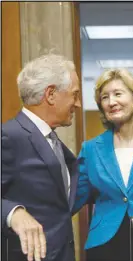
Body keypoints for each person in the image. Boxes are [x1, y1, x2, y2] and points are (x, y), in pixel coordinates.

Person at [72, 69, 133, 261]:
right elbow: (72, 199)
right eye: (105, 97)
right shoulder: (90, 149)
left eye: (118, 94)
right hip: (105, 246)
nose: (111, 102)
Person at [1, 54, 81, 261]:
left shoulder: (52, 141)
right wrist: (13, 213)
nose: (78, 103)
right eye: (74, 94)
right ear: (51, 94)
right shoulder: (9, 136)